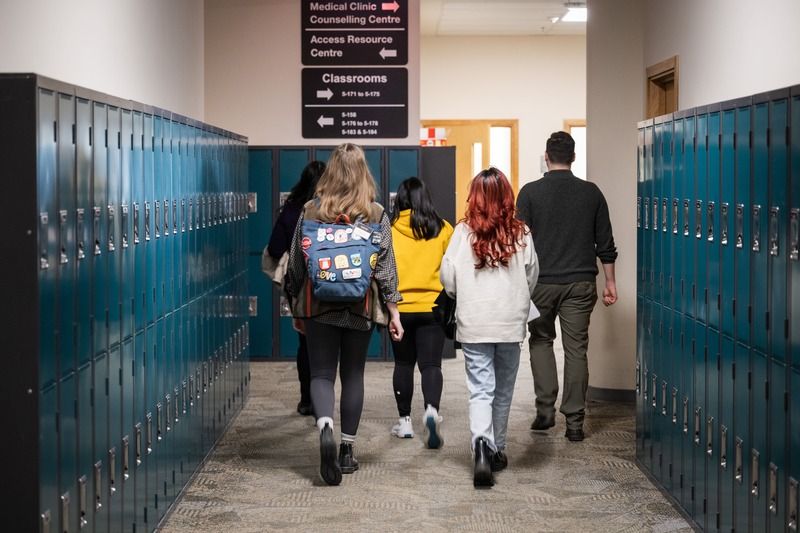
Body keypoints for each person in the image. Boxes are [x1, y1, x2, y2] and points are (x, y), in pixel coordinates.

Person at [285, 143, 404, 486]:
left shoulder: (310, 210)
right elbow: (386, 270)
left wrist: (296, 306)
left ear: (331, 172)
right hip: (360, 306)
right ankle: (347, 451)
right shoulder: (376, 212)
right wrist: (394, 313)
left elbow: (295, 265)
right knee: (353, 374)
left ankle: (325, 425)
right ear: (364, 172)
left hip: (318, 306)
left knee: (321, 374)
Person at [515, 131, 618, 443]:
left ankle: (545, 410)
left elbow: (520, 243)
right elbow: (606, 244)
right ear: (573, 158)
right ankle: (574, 421)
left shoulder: (529, 193)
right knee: (576, 349)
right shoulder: (591, 193)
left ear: (547, 157)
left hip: (540, 284)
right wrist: (610, 281)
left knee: (541, 341)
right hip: (580, 283)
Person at [440, 167, 538, 488]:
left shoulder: (462, 233)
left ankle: (481, 447)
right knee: (504, 388)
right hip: (510, 322)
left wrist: (462, 293)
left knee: (481, 388)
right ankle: (498, 451)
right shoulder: (521, 233)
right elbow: (531, 276)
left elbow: (448, 279)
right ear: (507, 197)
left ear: (475, 197)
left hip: (475, 321)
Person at [389, 177, 453, 447]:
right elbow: (452, 268)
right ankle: (431, 411)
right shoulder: (443, 228)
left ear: (400, 200)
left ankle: (404, 423)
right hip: (432, 307)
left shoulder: (389, 229)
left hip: (400, 309)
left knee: (404, 364)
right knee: (431, 365)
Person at [266, 160, 325, 417]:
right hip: (328, 282)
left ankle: (307, 400)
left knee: (305, 343)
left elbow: (275, 248)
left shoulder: (291, 209)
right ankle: (324, 401)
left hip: (298, 286)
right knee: (327, 343)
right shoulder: (332, 209)